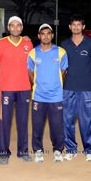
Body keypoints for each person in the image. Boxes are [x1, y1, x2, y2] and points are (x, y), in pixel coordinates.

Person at [0, 16, 33, 165]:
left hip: (24, 88)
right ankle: (4, 152)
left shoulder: (28, 43)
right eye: (12, 25)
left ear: (22, 28)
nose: (15, 28)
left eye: (18, 26)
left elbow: (32, 65)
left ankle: (23, 150)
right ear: (8, 28)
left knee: (23, 121)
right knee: (5, 122)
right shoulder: (1, 43)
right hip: (6, 89)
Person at [28, 23, 68, 163]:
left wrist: (54, 85)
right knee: (37, 125)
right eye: (42, 34)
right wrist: (40, 85)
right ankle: (38, 150)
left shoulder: (61, 52)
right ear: (39, 36)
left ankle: (58, 150)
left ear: (52, 35)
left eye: (48, 33)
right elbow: (30, 73)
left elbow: (63, 72)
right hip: (38, 96)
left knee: (57, 125)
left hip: (56, 96)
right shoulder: (33, 53)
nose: (45, 36)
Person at [61, 14, 91, 162]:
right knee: (67, 119)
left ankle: (89, 149)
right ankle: (71, 148)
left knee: (86, 120)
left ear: (83, 27)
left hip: (86, 89)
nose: (76, 27)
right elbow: (62, 68)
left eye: (79, 25)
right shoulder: (64, 44)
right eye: (73, 25)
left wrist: (89, 81)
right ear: (70, 27)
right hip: (68, 88)